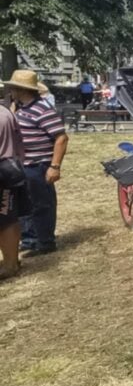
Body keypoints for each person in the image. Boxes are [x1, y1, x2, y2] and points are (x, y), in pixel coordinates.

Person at [6, 70, 68, 255]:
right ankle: (29, 240)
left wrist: (54, 166)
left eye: (13, 88)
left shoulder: (42, 110)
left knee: (41, 204)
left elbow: (61, 138)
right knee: (24, 204)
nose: (10, 91)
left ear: (22, 89)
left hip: (38, 164)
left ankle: (45, 241)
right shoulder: (19, 108)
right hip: (22, 165)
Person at [0, 102, 26, 279]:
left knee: (6, 220)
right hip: (11, 168)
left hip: (3, 169)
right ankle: (11, 261)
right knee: (9, 217)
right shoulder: (6, 112)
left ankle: (10, 265)